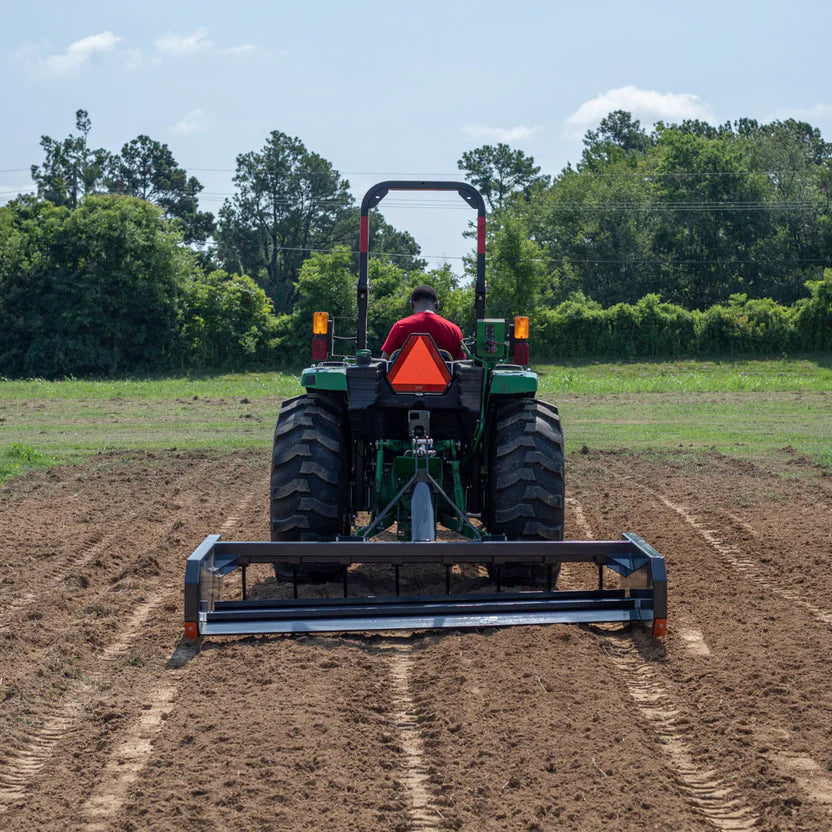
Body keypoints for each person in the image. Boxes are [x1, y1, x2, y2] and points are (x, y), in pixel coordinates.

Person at [381, 285, 465, 360]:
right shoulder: (454, 330)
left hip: (405, 377)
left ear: (412, 305)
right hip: (442, 378)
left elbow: (384, 362)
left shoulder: (400, 326)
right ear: (436, 306)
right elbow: (461, 366)